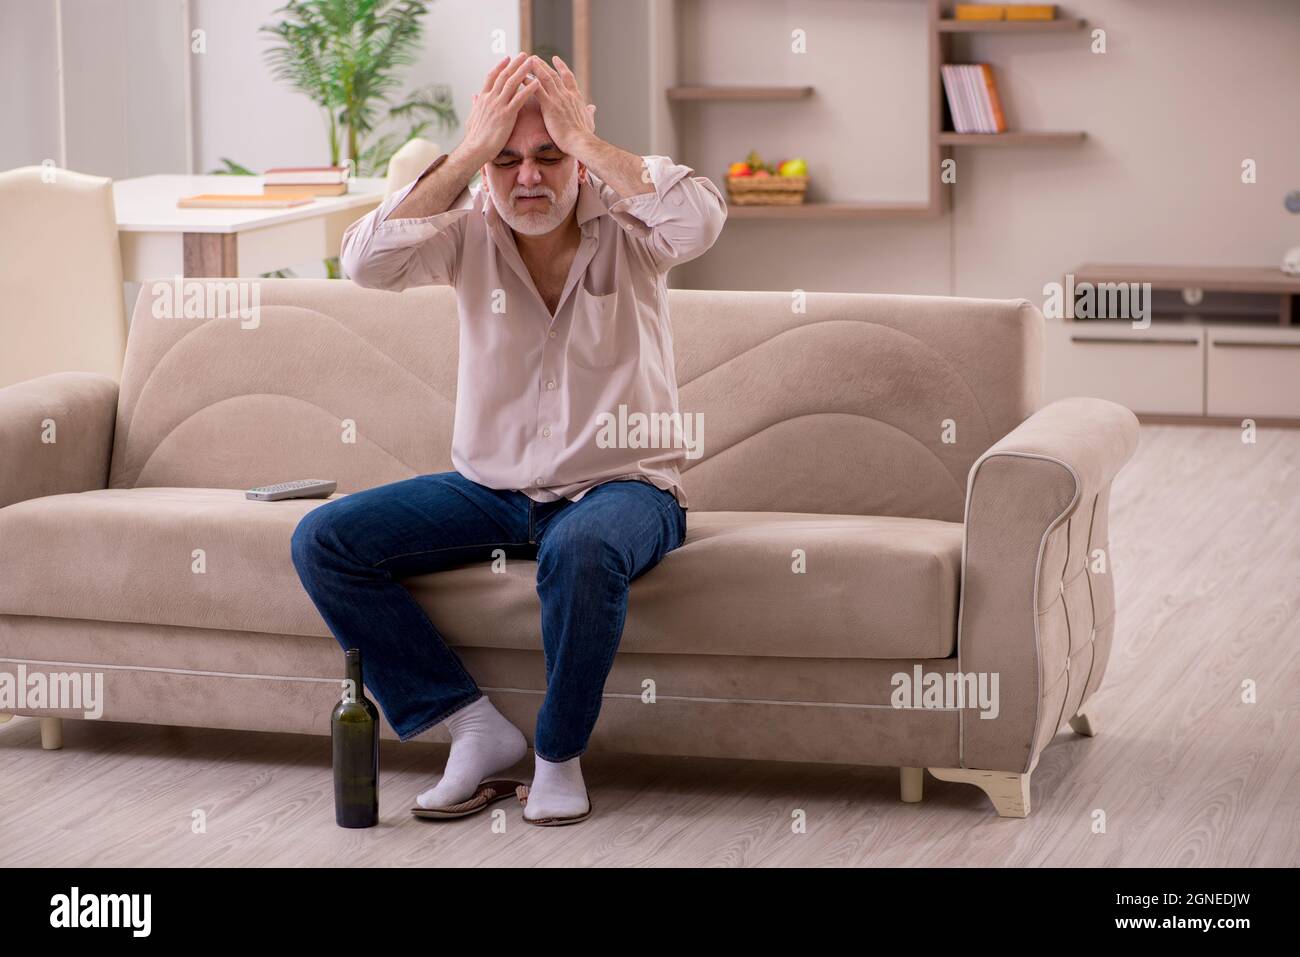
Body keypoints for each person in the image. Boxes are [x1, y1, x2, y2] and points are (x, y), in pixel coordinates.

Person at [290, 52, 727, 825]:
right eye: (507, 159)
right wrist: (466, 151)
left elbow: (703, 215)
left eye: (548, 156)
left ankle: (558, 756)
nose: (528, 177)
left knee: (581, 549)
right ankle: (473, 725)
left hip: (626, 489)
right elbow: (363, 262)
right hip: (491, 492)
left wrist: (588, 142)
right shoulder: (466, 234)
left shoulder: (635, 228)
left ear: (578, 160)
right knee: (325, 539)